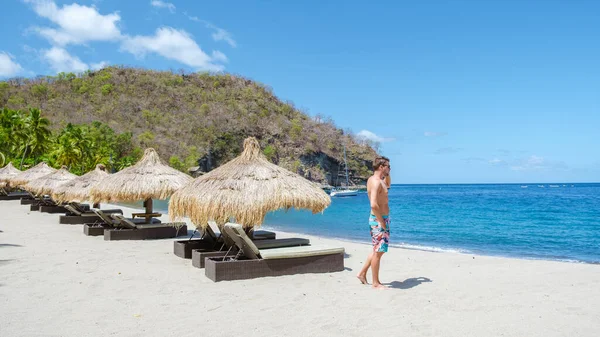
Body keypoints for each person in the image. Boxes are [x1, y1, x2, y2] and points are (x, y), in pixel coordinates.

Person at [357, 156, 391, 289]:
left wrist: (388, 173)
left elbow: (388, 185)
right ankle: (375, 283)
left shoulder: (378, 180)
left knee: (378, 249)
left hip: (381, 219)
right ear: (381, 167)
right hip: (379, 220)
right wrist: (381, 221)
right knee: (378, 252)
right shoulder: (376, 182)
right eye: (388, 166)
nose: (389, 169)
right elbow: (373, 204)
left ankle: (362, 273)